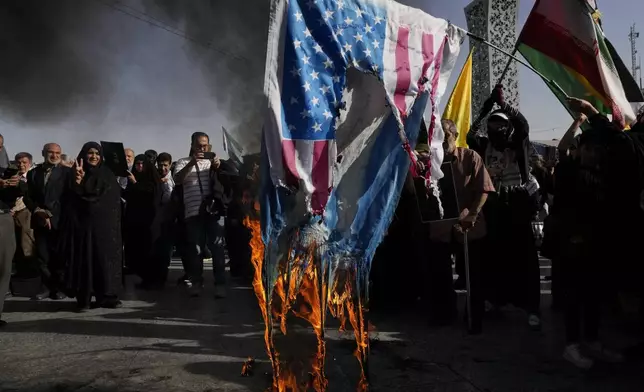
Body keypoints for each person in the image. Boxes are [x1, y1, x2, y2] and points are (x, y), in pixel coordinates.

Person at [467, 84, 542, 329]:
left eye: (500, 124)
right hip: (495, 206)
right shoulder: (484, 146)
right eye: (492, 125)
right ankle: (495, 299)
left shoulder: (517, 147)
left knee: (525, 257)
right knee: (494, 256)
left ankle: (532, 307)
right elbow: (469, 135)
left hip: (517, 206)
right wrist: (486, 108)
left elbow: (524, 127)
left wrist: (504, 105)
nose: (495, 129)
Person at [427, 120, 495, 332]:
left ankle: (474, 317)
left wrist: (472, 214)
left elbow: (484, 188)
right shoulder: (432, 161)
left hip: (468, 226)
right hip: (441, 227)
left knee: (474, 276)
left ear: (455, 136)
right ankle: (444, 313)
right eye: (438, 136)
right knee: (440, 274)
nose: (442, 140)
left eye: (445, 135)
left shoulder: (470, 157)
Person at [59, 142, 123, 310]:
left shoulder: (107, 174)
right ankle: (84, 298)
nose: (93, 156)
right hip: (82, 228)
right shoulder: (73, 174)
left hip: (105, 228)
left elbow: (109, 200)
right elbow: (69, 200)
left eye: (97, 153)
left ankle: (106, 296)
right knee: (84, 261)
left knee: (104, 260)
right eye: (90, 153)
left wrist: (83, 189)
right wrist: (78, 182)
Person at [173, 132, 230, 298]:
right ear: (192, 145)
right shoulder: (183, 162)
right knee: (195, 250)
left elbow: (226, 182)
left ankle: (220, 284)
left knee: (217, 249)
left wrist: (219, 167)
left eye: (205, 145)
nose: (202, 148)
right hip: (192, 212)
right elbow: (177, 179)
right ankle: (196, 283)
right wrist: (191, 163)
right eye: (199, 145)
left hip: (213, 212)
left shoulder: (213, 163)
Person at [24, 143, 69, 300]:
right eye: (51, 152)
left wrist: (50, 214)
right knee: (42, 257)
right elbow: (28, 197)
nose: (54, 155)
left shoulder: (67, 173)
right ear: (43, 153)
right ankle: (46, 287)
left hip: (60, 221)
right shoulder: (33, 173)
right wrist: (39, 212)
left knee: (60, 257)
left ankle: (60, 288)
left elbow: (67, 198)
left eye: (58, 153)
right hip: (40, 222)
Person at [123, 154, 162, 284]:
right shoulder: (133, 178)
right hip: (135, 222)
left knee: (148, 250)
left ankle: (151, 280)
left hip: (149, 222)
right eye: (137, 164)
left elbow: (150, 193)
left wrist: (135, 183)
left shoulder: (152, 179)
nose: (139, 167)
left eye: (142, 164)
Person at [143, 152, 175, 290]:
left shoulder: (174, 179)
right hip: (155, 220)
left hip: (169, 221)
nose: (163, 168)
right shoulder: (154, 178)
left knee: (165, 251)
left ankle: (161, 279)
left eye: (165, 165)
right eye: (160, 165)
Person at [1, 169, 27, 326]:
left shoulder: (5, 172)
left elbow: (22, 192)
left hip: (3, 218)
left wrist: (16, 184)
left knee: (3, 269)